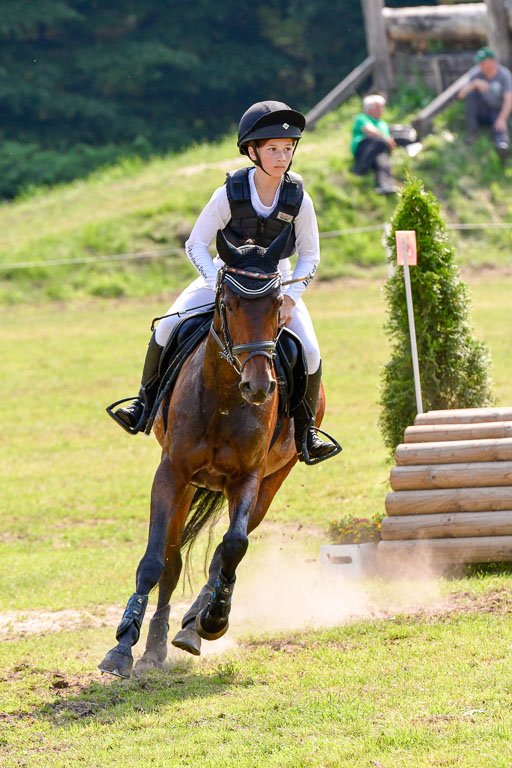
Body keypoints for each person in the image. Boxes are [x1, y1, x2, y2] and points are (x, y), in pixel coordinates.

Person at [110, 100, 336, 463]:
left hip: (276, 284)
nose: (282, 157)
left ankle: (306, 433)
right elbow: (195, 243)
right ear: (252, 151)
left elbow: (310, 256)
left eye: (288, 149)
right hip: (224, 276)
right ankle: (144, 404)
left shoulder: (299, 198)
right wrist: (217, 283)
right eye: (273, 149)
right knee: (167, 326)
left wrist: (292, 298)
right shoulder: (229, 193)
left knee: (309, 351)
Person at [458, 46, 512, 157]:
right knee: (471, 96)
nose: (480, 65)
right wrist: (473, 85)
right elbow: (461, 95)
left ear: (492, 61)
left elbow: (509, 99)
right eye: (479, 63)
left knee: (501, 124)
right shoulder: (476, 74)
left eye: (483, 62)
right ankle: (473, 132)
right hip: (483, 111)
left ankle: (502, 144)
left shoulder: (504, 75)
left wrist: (502, 118)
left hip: (498, 110)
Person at [351, 94, 398, 195]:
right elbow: (369, 130)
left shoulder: (383, 123)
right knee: (380, 141)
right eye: (378, 108)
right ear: (369, 109)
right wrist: (386, 140)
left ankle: (384, 185)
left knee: (382, 159)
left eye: (381, 107)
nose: (381, 110)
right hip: (363, 147)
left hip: (378, 149)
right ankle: (359, 168)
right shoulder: (362, 117)